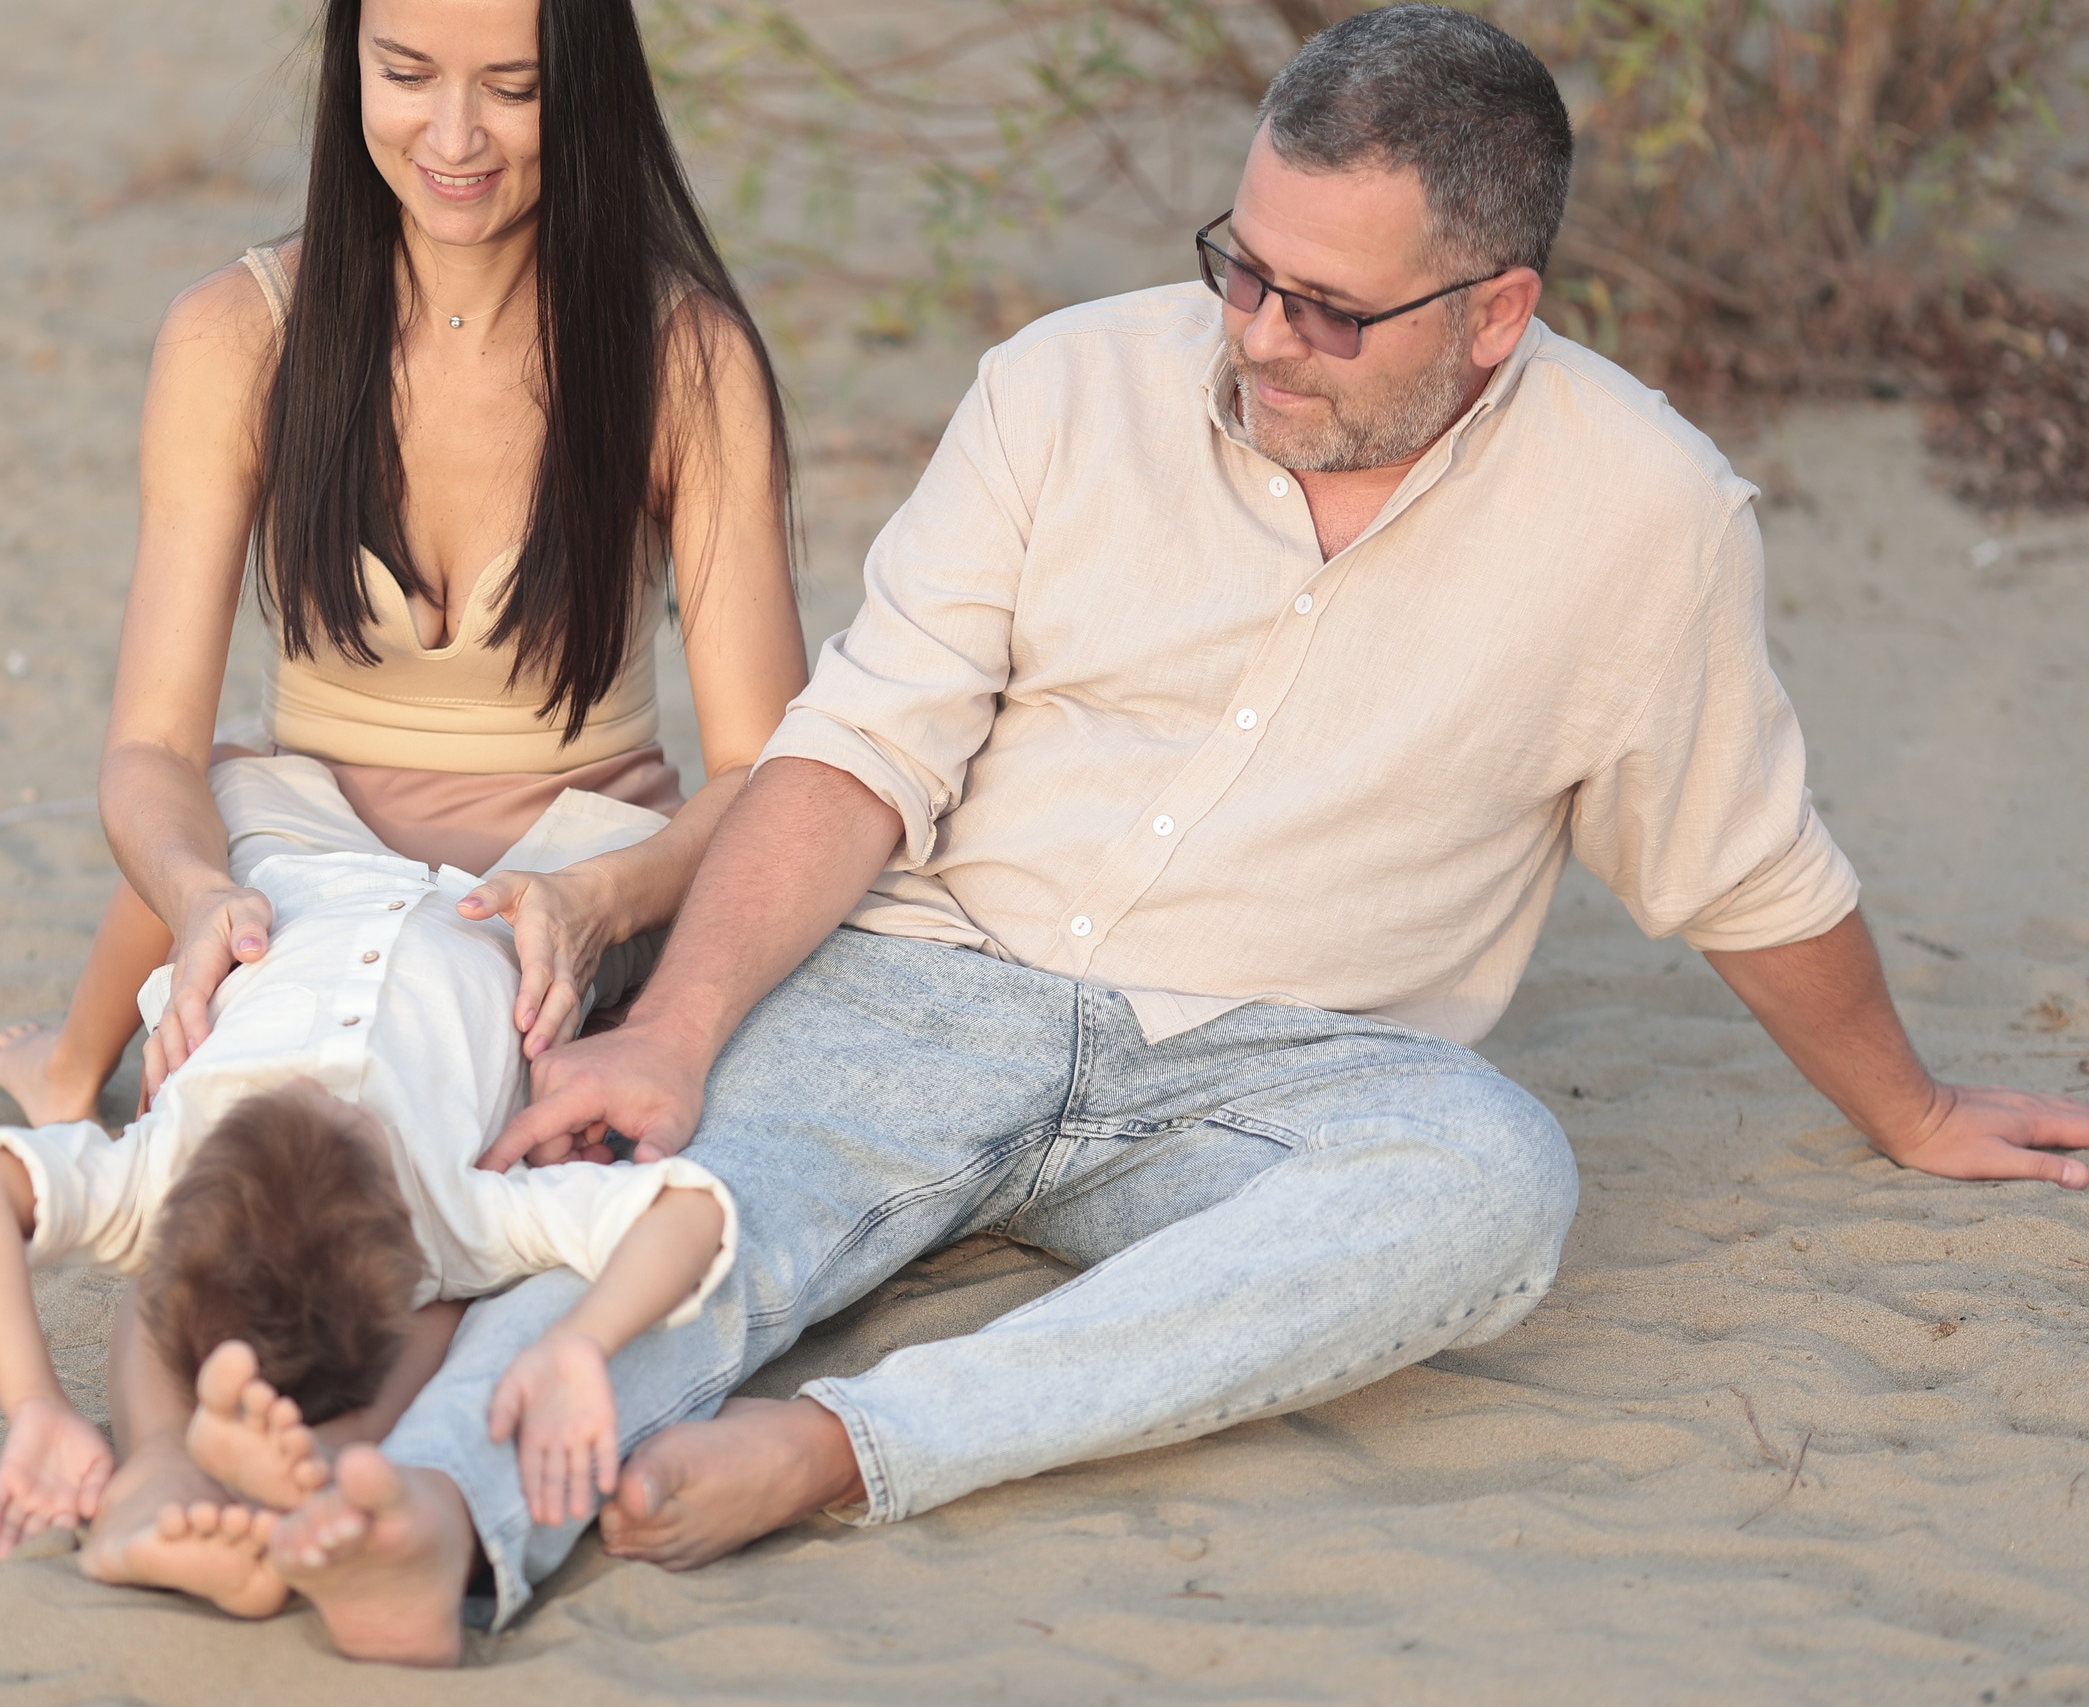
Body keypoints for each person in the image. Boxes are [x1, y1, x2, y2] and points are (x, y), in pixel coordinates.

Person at [232, 3, 2089, 1659]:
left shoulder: (1648, 512)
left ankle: (841, 1450)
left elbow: (1747, 869)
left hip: (1272, 1066)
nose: (1262, 333)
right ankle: (447, 1518)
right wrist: (682, 1024)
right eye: (1243, 267)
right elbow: (857, 746)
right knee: (692, 1213)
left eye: (1331, 308)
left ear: (1499, 312)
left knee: (1494, 1182)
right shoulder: (1063, 386)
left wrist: (1910, 1107)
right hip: (924, 973)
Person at [0, 0, 802, 1127]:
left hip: (579, 863)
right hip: (301, 845)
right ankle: (73, 1068)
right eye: (407, 73)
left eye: (513, 90)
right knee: (220, 812)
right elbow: (150, 748)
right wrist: (200, 893)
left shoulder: (684, 358)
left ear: (588, 87)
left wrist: (597, 898)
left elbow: (765, 773)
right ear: (348, 63)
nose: (454, 138)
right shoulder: (238, 334)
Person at [0, 757, 737, 1644]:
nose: (326, 1085)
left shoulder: (165, 1170)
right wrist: (586, 1340)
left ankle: (67, 1077)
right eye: (351, 1126)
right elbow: (687, 1210)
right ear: (399, 1227)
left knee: (191, 799)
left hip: (297, 871)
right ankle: (313, 1459)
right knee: (700, 860)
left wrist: (34, 1401)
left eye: (284, 1103)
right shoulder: (455, 1219)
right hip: (537, 886)